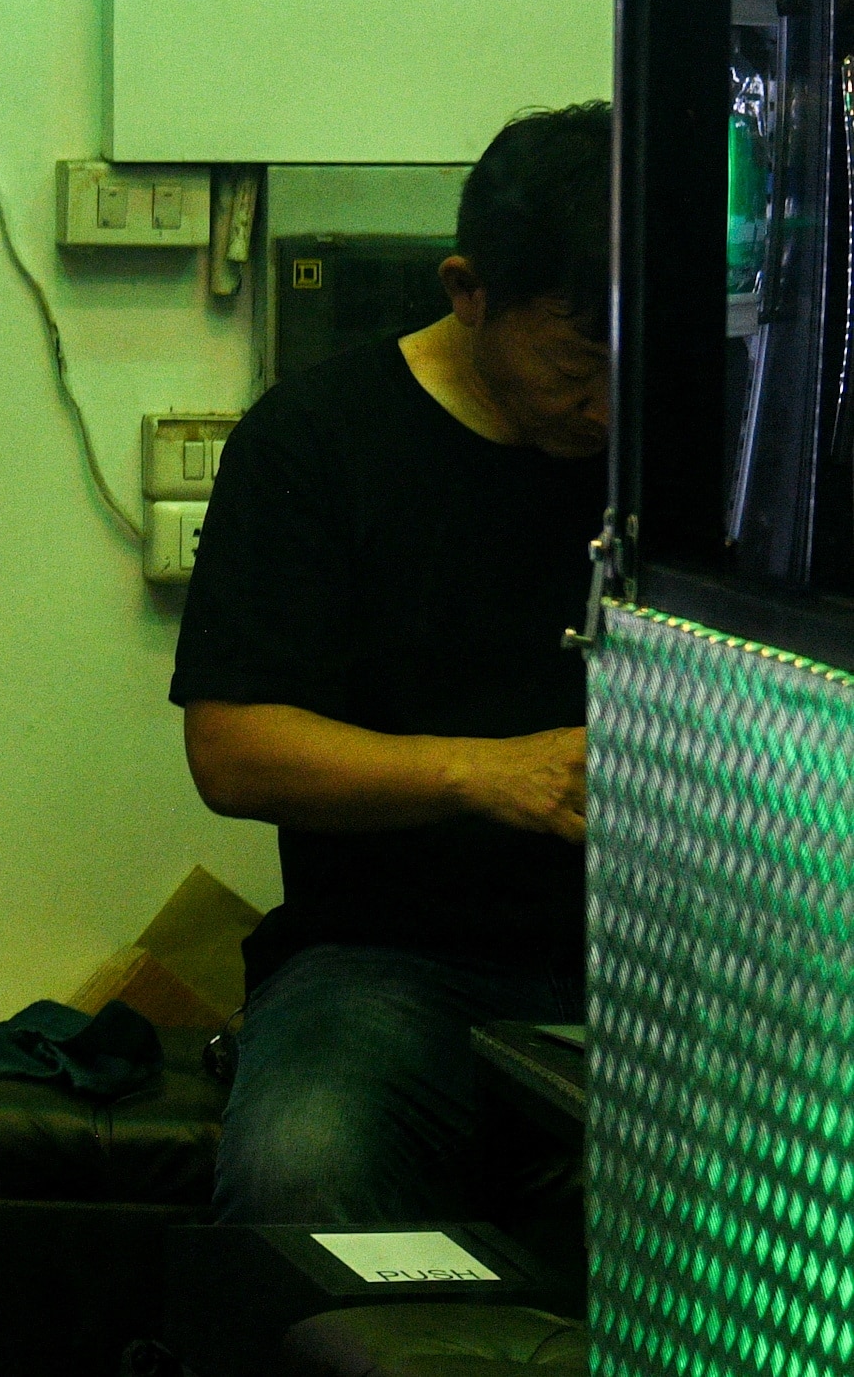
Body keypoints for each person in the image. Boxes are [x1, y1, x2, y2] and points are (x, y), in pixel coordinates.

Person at [171, 100, 608, 1226]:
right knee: (303, 1168)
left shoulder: (706, 451)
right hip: (391, 960)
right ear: (467, 290)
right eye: (576, 359)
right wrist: (489, 772)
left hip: (664, 965)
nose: (609, 404)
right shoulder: (315, 440)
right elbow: (232, 749)